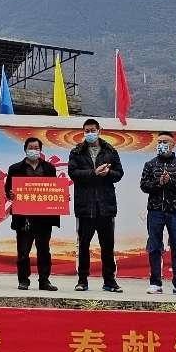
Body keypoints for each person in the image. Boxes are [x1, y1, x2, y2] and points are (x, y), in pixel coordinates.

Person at [67, 118, 124, 293]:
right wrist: (94, 173)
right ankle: (82, 280)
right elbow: (73, 173)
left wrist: (108, 173)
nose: (90, 133)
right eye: (87, 131)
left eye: (93, 130)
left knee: (107, 246)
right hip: (85, 207)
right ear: (83, 132)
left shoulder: (110, 150)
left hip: (106, 206)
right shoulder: (76, 151)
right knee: (83, 245)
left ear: (99, 130)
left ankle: (110, 281)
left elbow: (119, 173)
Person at [140, 131, 176, 296]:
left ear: (172, 145)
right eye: (159, 142)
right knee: (155, 247)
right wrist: (159, 182)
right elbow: (144, 186)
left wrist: (170, 181)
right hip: (155, 211)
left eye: (165, 142)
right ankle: (155, 283)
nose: (161, 144)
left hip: (175, 211)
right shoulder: (150, 164)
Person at [5, 137, 60, 291]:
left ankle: (44, 281)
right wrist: (10, 194)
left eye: (36, 148)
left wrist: (60, 196)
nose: (34, 151)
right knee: (23, 251)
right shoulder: (15, 168)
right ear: (25, 149)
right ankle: (23, 280)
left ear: (40, 150)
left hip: (44, 217)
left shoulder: (49, 168)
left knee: (44, 251)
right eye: (31, 148)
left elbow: (55, 188)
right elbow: (8, 190)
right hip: (23, 217)